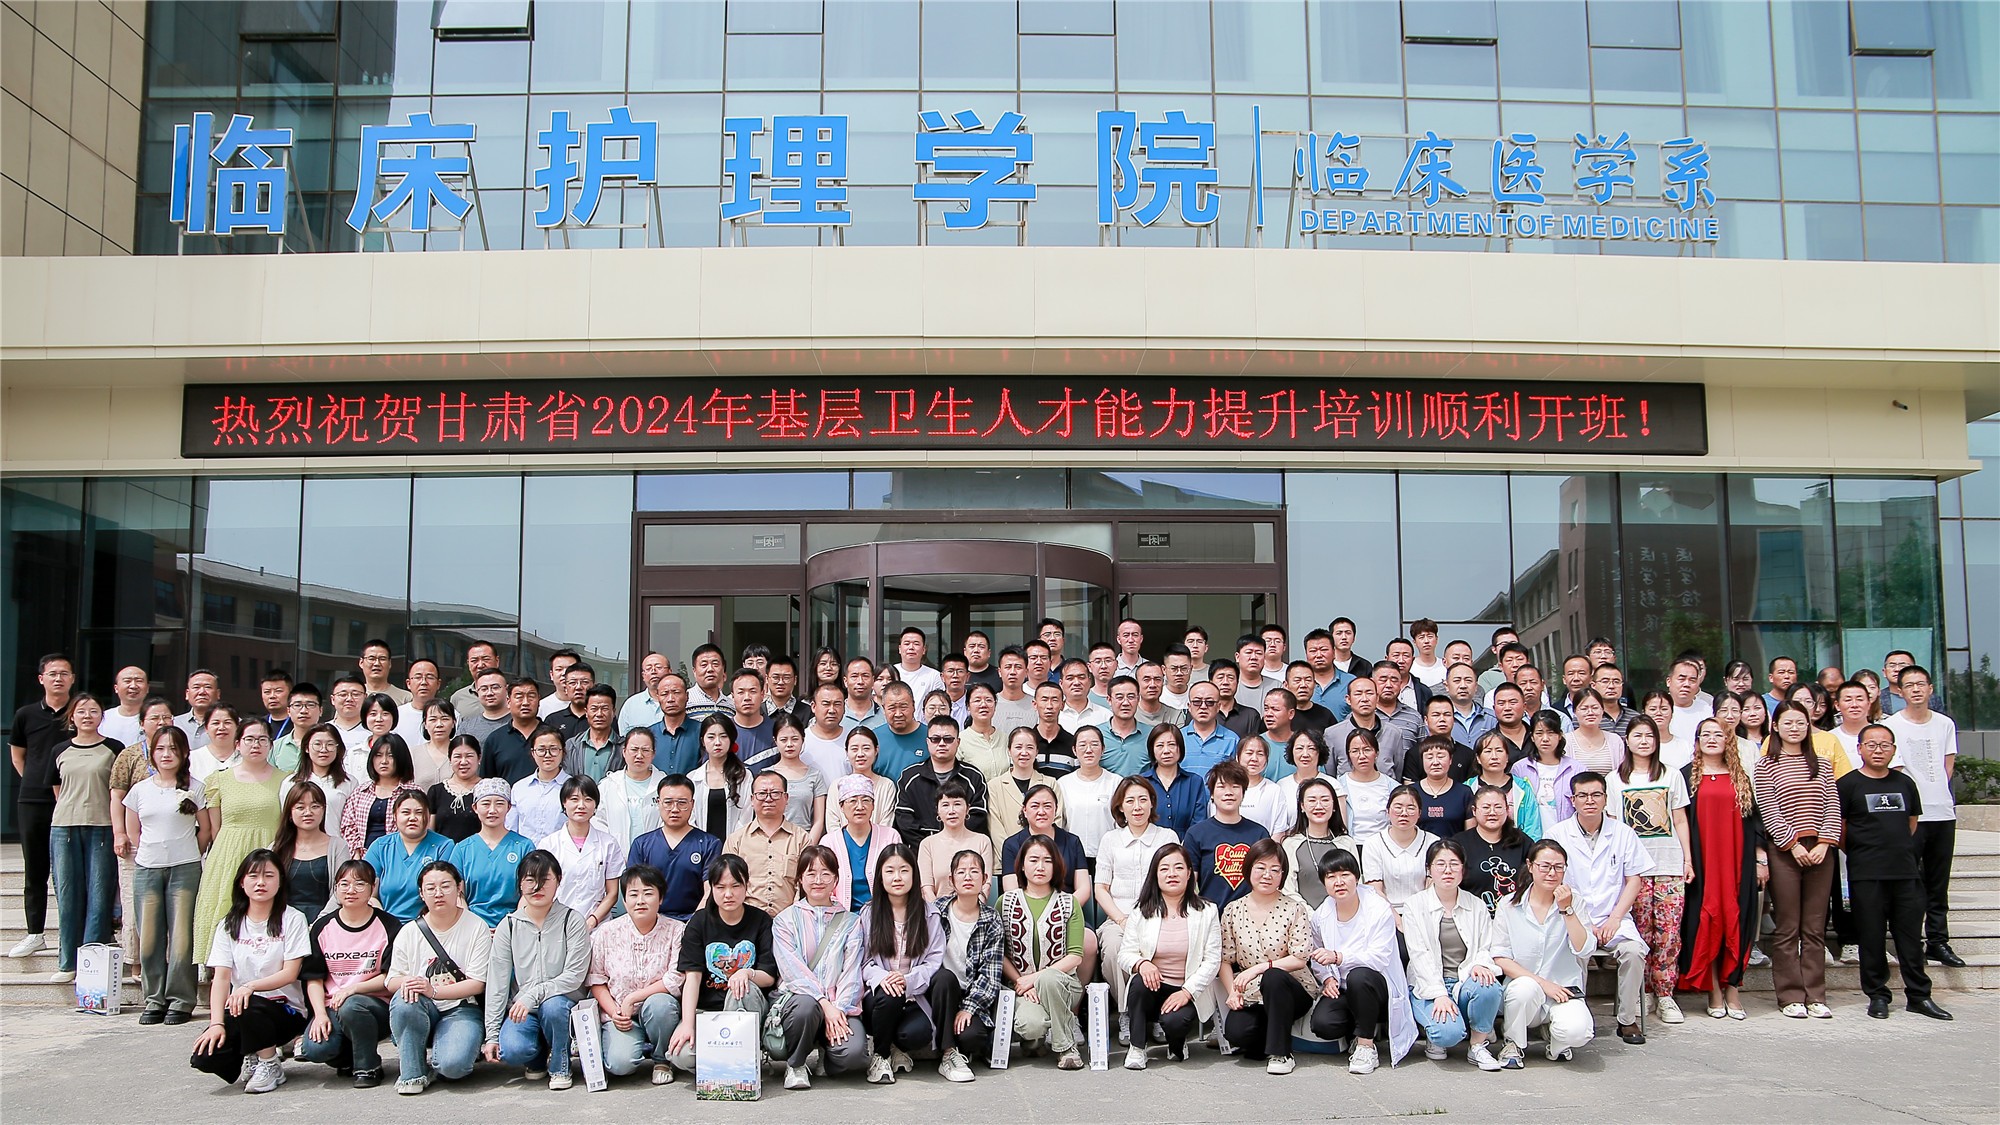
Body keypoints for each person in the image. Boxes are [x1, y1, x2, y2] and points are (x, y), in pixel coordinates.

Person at [1838, 725, 1953, 1021]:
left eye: (1885, 745)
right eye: (1871, 744)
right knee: (1871, 938)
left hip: (1905, 873)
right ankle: (1878, 995)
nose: (1878, 750)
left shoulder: (1905, 783)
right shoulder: (1847, 784)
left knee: (1910, 939)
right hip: (1867, 874)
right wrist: (1864, 852)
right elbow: (1841, 830)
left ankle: (1919, 996)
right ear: (1860, 749)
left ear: (1893, 750)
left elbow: (1911, 823)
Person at [189, 850, 311, 1093]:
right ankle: (253, 1053)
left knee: (250, 1004)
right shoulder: (228, 924)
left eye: (269, 876)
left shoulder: (293, 918)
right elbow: (221, 978)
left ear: (280, 881)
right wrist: (216, 1024)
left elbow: (290, 973)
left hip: (284, 1010)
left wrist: (250, 987)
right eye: (253, 876)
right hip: (241, 1008)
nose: (261, 882)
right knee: (205, 1056)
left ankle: (270, 1063)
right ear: (241, 882)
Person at [1544, 771, 1648, 1044]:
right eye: (1583, 795)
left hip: (1615, 918)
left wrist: (1615, 918)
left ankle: (1627, 1020)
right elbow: (1551, 881)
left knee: (1634, 952)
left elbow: (1634, 880)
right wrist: (1581, 921)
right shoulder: (1557, 834)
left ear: (1605, 798)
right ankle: (1577, 1017)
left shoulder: (1623, 833)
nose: (1589, 801)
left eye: (1596, 795)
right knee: (1574, 952)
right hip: (1572, 916)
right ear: (1572, 800)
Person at [1755, 701, 1843, 1019]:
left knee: (1815, 927)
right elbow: (1768, 809)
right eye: (1788, 722)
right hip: (1785, 851)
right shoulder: (1766, 765)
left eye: (1800, 723)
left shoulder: (1822, 763)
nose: (1795, 728)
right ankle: (1790, 995)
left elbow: (1833, 806)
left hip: (1821, 849)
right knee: (1788, 925)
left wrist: (1825, 842)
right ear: (1775, 726)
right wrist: (1792, 845)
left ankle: (1816, 994)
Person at [1607, 714, 1693, 1025]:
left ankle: (1665, 993)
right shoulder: (1614, 780)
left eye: (1649, 736)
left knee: (1668, 932)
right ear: (1627, 741)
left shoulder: (1671, 775)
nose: (1644, 741)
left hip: (1669, 863)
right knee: (1640, 932)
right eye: (1638, 735)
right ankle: (1641, 992)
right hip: (1633, 870)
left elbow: (1679, 819)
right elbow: (1613, 826)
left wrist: (1687, 859)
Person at [1677, 717, 1763, 1021]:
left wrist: (1761, 859)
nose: (1712, 739)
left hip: (1736, 860)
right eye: (1706, 734)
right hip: (1703, 863)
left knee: (1735, 918)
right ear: (1697, 740)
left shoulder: (1740, 776)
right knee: (1707, 920)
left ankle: (1733, 989)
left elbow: (1754, 822)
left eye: (1718, 734)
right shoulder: (1685, 777)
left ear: (1728, 740)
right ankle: (1713, 990)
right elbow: (1680, 821)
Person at [482, 850, 591, 1088]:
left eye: (545, 879)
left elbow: (574, 977)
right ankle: (537, 1058)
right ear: (520, 883)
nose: (537, 887)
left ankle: (561, 1066)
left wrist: (533, 995)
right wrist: (492, 1034)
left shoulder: (572, 920)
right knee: (512, 1050)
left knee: (553, 1007)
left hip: (563, 1003)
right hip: (525, 1009)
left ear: (559, 880)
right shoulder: (509, 925)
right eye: (530, 879)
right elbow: (497, 982)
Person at [123, 724, 207, 1024]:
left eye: (173, 748)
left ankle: (181, 1000)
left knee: (182, 938)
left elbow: (205, 830)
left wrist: (188, 853)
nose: (166, 754)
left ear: (184, 753)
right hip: (147, 869)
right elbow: (134, 831)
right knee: (149, 937)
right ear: (151, 753)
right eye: (160, 748)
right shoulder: (139, 790)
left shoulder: (196, 787)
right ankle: (154, 999)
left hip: (185, 869)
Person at [665, 855, 778, 1076]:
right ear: (711, 888)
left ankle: (741, 1057)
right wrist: (687, 1024)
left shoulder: (761, 920)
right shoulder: (699, 922)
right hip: (707, 1013)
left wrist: (747, 973)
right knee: (682, 1055)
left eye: (735, 886)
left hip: (749, 1010)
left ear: (747, 885)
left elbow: (769, 976)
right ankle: (728, 1062)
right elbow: (692, 978)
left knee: (742, 989)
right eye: (721, 887)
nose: (728, 894)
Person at [1881, 665, 1964, 968]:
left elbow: (1947, 765)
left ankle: (1938, 941)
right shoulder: (1891, 725)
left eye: (1920, 684)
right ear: (1900, 691)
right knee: (1908, 883)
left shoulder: (1944, 724)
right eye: (1909, 685)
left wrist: (1937, 794)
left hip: (1942, 812)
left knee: (1938, 882)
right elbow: (1895, 772)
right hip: (1910, 816)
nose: (1915, 689)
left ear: (1930, 689)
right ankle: (1909, 942)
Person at [1307, 850, 1417, 1075]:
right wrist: (1326, 978)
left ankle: (1366, 1046)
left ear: (1357, 877)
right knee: (1323, 1024)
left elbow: (1378, 958)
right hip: (1344, 987)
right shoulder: (1322, 913)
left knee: (1359, 975)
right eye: (1331, 877)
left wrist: (1338, 957)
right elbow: (1315, 951)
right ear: (1324, 883)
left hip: (1377, 986)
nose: (1339, 882)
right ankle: (1358, 1033)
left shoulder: (1377, 908)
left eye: (1345, 875)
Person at [384, 859, 489, 1094]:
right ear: (421, 894)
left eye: (445, 886)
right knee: (404, 999)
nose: (438, 893)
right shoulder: (409, 931)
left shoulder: (476, 926)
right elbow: (391, 980)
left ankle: (446, 1052)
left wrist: (434, 990)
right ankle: (413, 1074)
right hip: (421, 1006)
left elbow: (477, 983)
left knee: (454, 1067)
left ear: (459, 887)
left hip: (461, 1007)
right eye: (430, 888)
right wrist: (411, 983)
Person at [1489, 840, 1596, 1069]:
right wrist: (1543, 984)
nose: (1552, 873)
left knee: (1579, 1032)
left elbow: (1584, 948)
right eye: (1545, 866)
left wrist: (1566, 909)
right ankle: (1513, 1043)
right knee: (1524, 988)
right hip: (1524, 992)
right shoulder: (1509, 904)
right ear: (1530, 866)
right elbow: (1500, 956)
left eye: (1558, 867)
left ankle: (1556, 1040)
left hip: (1564, 989)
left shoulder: (1575, 901)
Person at [770, 845, 867, 1089]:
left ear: (836, 878)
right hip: (800, 1002)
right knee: (806, 1007)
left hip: (838, 1004)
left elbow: (852, 971)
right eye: (811, 873)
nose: (818, 880)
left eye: (825, 873)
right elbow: (793, 971)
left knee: (853, 1055)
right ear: (800, 879)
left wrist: (839, 1009)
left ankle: (828, 1054)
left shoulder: (851, 922)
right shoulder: (785, 921)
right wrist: (825, 1004)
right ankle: (796, 1064)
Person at [1217, 838, 1317, 1075]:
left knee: (1273, 976)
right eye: (1260, 867)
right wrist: (1233, 992)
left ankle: (1282, 1053)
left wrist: (1257, 969)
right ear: (1249, 869)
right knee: (1237, 1032)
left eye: (1275, 870)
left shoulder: (1294, 908)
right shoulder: (1233, 910)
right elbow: (1225, 959)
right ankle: (1271, 1037)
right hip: (1253, 993)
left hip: (1292, 988)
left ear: (1282, 875)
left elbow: (1300, 958)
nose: (1267, 875)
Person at [1117, 843, 1220, 1070]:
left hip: (1186, 990)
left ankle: (1177, 1045)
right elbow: (1125, 953)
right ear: (1155, 875)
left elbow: (1212, 961)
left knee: (1175, 1023)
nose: (1172, 874)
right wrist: (1142, 963)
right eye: (1164, 868)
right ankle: (1137, 1048)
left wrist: (1187, 992)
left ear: (1189, 873)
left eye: (1178, 868)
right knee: (1138, 983)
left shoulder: (1207, 911)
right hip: (1152, 987)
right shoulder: (1141, 911)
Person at [1402, 840, 1504, 1070]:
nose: (1447, 870)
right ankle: (1439, 1031)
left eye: (1454, 864)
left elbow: (1485, 946)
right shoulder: (1414, 906)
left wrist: (1480, 964)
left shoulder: (1477, 905)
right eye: (1440, 864)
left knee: (1488, 985)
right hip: (1428, 986)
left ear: (1463, 869)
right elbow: (1419, 955)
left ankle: (1478, 1044)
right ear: (1429, 869)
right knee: (1447, 1035)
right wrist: (1439, 994)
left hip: (1464, 982)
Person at [193, 717, 287, 962]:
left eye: (262, 739)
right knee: (225, 909)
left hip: (269, 850)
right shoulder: (219, 780)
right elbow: (215, 828)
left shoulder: (285, 780)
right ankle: (218, 971)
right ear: (237, 744)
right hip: (228, 854)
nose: (256, 745)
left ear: (271, 744)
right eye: (249, 739)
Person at [299, 859, 400, 1087]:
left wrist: (353, 989)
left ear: (372, 888)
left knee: (352, 1005)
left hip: (375, 1006)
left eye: (359, 884)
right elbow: (314, 978)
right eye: (344, 884)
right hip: (332, 1006)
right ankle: (348, 1058)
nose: (351, 890)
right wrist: (320, 1015)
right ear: (336, 888)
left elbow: (391, 977)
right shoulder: (322, 927)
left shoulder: (389, 925)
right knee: (315, 1049)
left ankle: (368, 1067)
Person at [1095, 775, 1181, 1036]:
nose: (1137, 806)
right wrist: (1121, 920)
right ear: (1120, 807)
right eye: (1130, 801)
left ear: (1152, 803)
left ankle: (1155, 1013)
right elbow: (1101, 888)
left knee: (1162, 948)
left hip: (1160, 917)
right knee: (1113, 949)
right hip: (1119, 918)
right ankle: (1127, 1013)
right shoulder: (1110, 840)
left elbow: (1177, 882)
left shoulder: (1167, 836)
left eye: (1143, 799)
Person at [588, 866, 688, 1086]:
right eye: (633, 894)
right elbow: (596, 979)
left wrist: (633, 998)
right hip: (620, 1014)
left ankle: (662, 1060)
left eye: (648, 893)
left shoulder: (676, 930)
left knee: (660, 1005)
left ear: (661, 898)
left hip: (657, 1010)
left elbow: (675, 979)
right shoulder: (606, 932)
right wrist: (614, 1012)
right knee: (619, 1065)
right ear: (624, 901)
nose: (640, 901)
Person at [859, 844, 946, 1084]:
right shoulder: (869, 914)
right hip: (878, 998)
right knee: (890, 994)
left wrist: (907, 980)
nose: (897, 877)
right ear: (880, 876)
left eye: (904, 870)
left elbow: (933, 960)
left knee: (916, 1034)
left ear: (914, 875)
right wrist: (884, 978)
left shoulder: (929, 914)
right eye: (890, 871)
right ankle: (881, 1055)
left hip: (913, 995)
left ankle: (896, 1045)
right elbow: (863, 961)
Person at [48, 693, 120, 984]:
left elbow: (119, 791)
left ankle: (91, 963)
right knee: (68, 894)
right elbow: (57, 788)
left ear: (102, 716)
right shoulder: (60, 749)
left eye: (94, 711)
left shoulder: (113, 748)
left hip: (102, 826)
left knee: (99, 895)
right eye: (81, 711)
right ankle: (68, 962)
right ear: (72, 717)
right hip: (64, 827)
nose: (87, 716)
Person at [1000, 834, 1087, 1070]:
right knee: (1030, 1026)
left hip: (1063, 984)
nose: (1040, 867)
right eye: (1034, 860)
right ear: (1022, 865)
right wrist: (1021, 981)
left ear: (1056, 866)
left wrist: (1035, 979)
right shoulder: (1006, 902)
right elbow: (1001, 954)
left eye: (1047, 861)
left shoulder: (1069, 902)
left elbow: (1075, 956)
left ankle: (1066, 1048)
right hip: (1022, 987)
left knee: (1049, 979)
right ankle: (1035, 1039)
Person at [929, 849, 1002, 1082]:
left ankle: (950, 1043)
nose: (968, 877)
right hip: (939, 993)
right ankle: (948, 1053)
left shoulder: (991, 919)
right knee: (944, 977)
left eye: (974, 871)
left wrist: (969, 1008)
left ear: (985, 879)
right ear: (951, 880)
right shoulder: (936, 911)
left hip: (971, 995)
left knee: (973, 1037)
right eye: (961, 872)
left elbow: (990, 975)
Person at [627, 774, 722, 923]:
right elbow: (633, 888)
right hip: (652, 922)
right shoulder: (642, 844)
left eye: (682, 803)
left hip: (693, 921)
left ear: (692, 804)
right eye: (668, 802)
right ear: (658, 803)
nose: (675, 809)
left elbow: (710, 889)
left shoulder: (709, 844)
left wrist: (694, 924)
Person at [537, 776, 625, 928]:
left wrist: (592, 921)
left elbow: (612, 893)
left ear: (596, 805)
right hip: (556, 924)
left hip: (597, 926)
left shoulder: (608, 844)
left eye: (588, 799)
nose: (581, 805)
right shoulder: (549, 845)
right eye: (574, 799)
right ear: (564, 803)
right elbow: (541, 888)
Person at [1185, 760, 1270, 909]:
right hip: (1211, 915)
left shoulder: (1259, 833)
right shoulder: (1196, 834)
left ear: (1243, 793)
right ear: (1212, 794)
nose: (1229, 792)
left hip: (1252, 915)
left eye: (1235, 786)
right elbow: (1189, 883)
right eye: (1221, 786)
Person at [449, 779, 533, 928]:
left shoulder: (524, 847)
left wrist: (511, 925)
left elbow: (529, 892)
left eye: (499, 804)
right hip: (472, 927)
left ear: (508, 807)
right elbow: (457, 894)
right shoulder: (462, 849)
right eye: (486, 804)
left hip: (515, 926)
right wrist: (473, 927)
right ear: (475, 807)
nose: (492, 810)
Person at [723, 770, 809, 914]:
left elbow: (805, 885)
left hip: (789, 920)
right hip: (746, 920)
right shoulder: (736, 840)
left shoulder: (802, 839)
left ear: (786, 798)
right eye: (762, 793)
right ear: (752, 799)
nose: (768, 799)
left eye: (775, 793)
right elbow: (728, 883)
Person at [897, 713, 990, 845]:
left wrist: (953, 842)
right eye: (935, 739)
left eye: (948, 739)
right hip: (920, 851)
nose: (941, 744)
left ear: (958, 742)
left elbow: (978, 815)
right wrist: (931, 846)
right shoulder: (909, 777)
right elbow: (904, 819)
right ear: (927, 742)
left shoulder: (973, 777)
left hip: (965, 850)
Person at [365, 791, 456, 922]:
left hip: (429, 924)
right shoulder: (380, 846)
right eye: (406, 812)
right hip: (386, 923)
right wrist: (385, 922)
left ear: (428, 816)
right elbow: (369, 894)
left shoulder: (444, 846)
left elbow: (445, 893)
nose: (412, 818)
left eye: (419, 812)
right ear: (395, 816)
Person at [1361, 786, 1439, 922]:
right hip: (1385, 914)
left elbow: (1432, 886)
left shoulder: (1433, 842)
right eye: (1398, 807)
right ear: (1387, 811)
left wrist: (1418, 919)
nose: (1404, 813)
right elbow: (1375, 890)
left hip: (1425, 913)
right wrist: (1398, 922)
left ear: (1419, 813)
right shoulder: (1373, 844)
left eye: (1411, 808)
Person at [272, 782, 347, 922]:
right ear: (290, 813)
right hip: (284, 923)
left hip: (326, 922)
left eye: (315, 806)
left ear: (324, 810)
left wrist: (320, 923)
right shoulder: (276, 849)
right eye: (300, 807)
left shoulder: (338, 846)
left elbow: (341, 890)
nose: (308, 812)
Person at [1454, 786, 1531, 916]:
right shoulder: (1459, 843)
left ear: (1507, 809)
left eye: (1498, 807)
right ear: (1474, 811)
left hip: (1514, 917)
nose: (1492, 812)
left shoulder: (1522, 841)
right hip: (1472, 917)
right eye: (1486, 807)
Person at [830, 773, 903, 912]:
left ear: (873, 805)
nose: (860, 807)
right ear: (841, 806)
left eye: (866, 800)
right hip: (840, 917)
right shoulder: (829, 842)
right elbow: (825, 888)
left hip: (884, 915)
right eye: (852, 801)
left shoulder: (890, 837)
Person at [987, 726, 1065, 854]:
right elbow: (996, 829)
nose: (1024, 752)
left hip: (1045, 858)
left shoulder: (1051, 783)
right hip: (1007, 859)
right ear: (1009, 751)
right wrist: (1014, 856)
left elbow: (1057, 821)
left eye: (1029, 747)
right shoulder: (994, 786)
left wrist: (1040, 855)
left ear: (1037, 751)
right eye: (1018, 747)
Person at [1280, 777, 1354, 910]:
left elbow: (1355, 884)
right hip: (1303, 917)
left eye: (1325, 800)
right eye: (1312, 800)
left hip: (1343, 916)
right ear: (1302, 806)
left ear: (1334, 806)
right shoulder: (1291, 844)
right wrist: (1313, 916)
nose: (1319, 806)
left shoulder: (1346, 843)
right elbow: (1288, 890)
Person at [339, 734, 420, 856]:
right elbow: (348, 825)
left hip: (400, 856)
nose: (384, 761)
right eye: (378, 755)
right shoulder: (361, 791)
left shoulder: (413, 792)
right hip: (363, 858)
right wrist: (357, 854)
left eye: (391, 756)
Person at [1057, 724, 1122, 875]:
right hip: (1071, 856)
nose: (1088, 750)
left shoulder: (1115, 782)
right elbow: (1060, 822)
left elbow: (1120, 823)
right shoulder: (1063, 783)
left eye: (1094, 744)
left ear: (1103, 749)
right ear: (1074, 750)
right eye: (1082, 745)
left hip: (1107, 855)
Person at [916, 778, 994, 899]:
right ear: (938, 811)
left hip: (974, 908)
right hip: (937, 908)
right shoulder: (927, 844)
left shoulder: (982, 841)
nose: (951, 811)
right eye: (945, 805)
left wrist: (972, 908)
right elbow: (926, 889)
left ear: (967, 808)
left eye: (957, 804)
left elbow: (986, 886)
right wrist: (938, 911)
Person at [1511, 710, 1579, 834]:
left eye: (1551, 733)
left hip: (1567, 837)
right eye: (1539, 733)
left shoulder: (1576, 769)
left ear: (1560, 735)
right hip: (1529, 837)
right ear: (1532, 737)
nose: (1545, 739)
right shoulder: (1520, 769)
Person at [764, 713, 828, 843]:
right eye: (783, 740)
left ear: (802, 740)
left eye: (794, 739)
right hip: (771, 842)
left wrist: (807, 846)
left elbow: (818, 821)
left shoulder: (815, 775)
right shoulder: (766, 775)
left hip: (804, 840)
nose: (789, 744)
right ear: (775, 741)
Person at [285, 723, 357, 838]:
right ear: (306, 748)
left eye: (330, 744)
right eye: (317, 744)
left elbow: (353, 823)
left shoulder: (349, 783)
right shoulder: (291, 783)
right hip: (300, 845)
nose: (324, 750)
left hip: (337, 844)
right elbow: (286, 821)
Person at [1464, 731, 1539, 840]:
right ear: (1478, 758)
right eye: (1488, 751)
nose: (1494, 756)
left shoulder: (1523, 788)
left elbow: (1533, 829)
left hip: (1516, 846)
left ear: (1507, 756)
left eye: (1499, 751)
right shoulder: (1467, 788)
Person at [506, 726, 573, 845]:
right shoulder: (520, 788)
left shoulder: (573, 787)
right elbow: (511, 828)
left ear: (563, 751)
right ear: (533, 753)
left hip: (560, 852)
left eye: (553, 749)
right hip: (525, 853)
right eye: (541, 749)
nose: (547, 755)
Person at [1139, 725, 1208, 837]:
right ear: (1152, 750)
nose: (1166, 751)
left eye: (1172, 745)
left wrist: (1185, 844)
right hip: (1150, 844)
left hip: (1186, 844)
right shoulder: (1142, 782)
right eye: (1160, 745)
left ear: (1180, 748)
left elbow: (1199, 823)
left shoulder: (1194, 782)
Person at [1410, 736, 1474, 840]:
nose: (1435, 762)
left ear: (1450, 760)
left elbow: (1470, 835)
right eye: (1429, 757)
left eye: (1441, 756)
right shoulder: (1411, 792)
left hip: (1455, 849)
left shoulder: (1464, 792)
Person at [1335, 729, 1395, 838]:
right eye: (1355, 751)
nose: (1362, 756)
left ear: (1376, 753)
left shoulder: (1392, 786)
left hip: (1382, 844)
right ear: (1348, 755)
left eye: (1367, 750)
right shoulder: (1338, 786)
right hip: (1350, 844)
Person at [562, 684, 625, 783]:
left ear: (613, 712)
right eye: (594, 709)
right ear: (586, 712)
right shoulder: (572, 746)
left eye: (605, 708)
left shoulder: (623, 747)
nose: (599, 714)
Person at [426, 736, 484, 842]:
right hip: (444, 851)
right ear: (450, 759)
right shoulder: (436, 791)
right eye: (458, 756)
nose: (463, 762)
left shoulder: (486, 790)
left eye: (469, 756)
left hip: (476, 850)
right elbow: (430, 832)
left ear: (479, 758)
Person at [1233, 736, 1291, 832]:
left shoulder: (1274, 790)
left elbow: (1279, 830)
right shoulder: (1226, 789)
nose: (1254, 759)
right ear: (1237, 757)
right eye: (1249, 753)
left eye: (1260, 754)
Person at [843, 726, 898, 825]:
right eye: (854, 749)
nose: (860, 754)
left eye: (866, 748)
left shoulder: (886, 786)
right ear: (847, 751)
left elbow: (886, 823)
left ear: (876, 750)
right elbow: (833, 825)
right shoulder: (837, 785)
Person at [1565, 689, 1625, 775]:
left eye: (1595, 708)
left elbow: (1620, 774)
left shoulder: (1615, 740)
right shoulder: (1566, 741)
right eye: (1584, 708)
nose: (1590, 713)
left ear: (1602, 710)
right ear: (1574, 712)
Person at [957, 683, 1007, 780]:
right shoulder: (960, 741)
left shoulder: (1005, 738)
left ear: (995, 705)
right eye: (977, 700)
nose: (983, 705)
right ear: (968, 706)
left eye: (988, 700)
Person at [410, 698, 456, 791]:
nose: (439, 724)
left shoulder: (461, 753)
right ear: (425, 724)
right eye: (433, 719)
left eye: (445, 719)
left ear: (453, 723)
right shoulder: (413, 754)